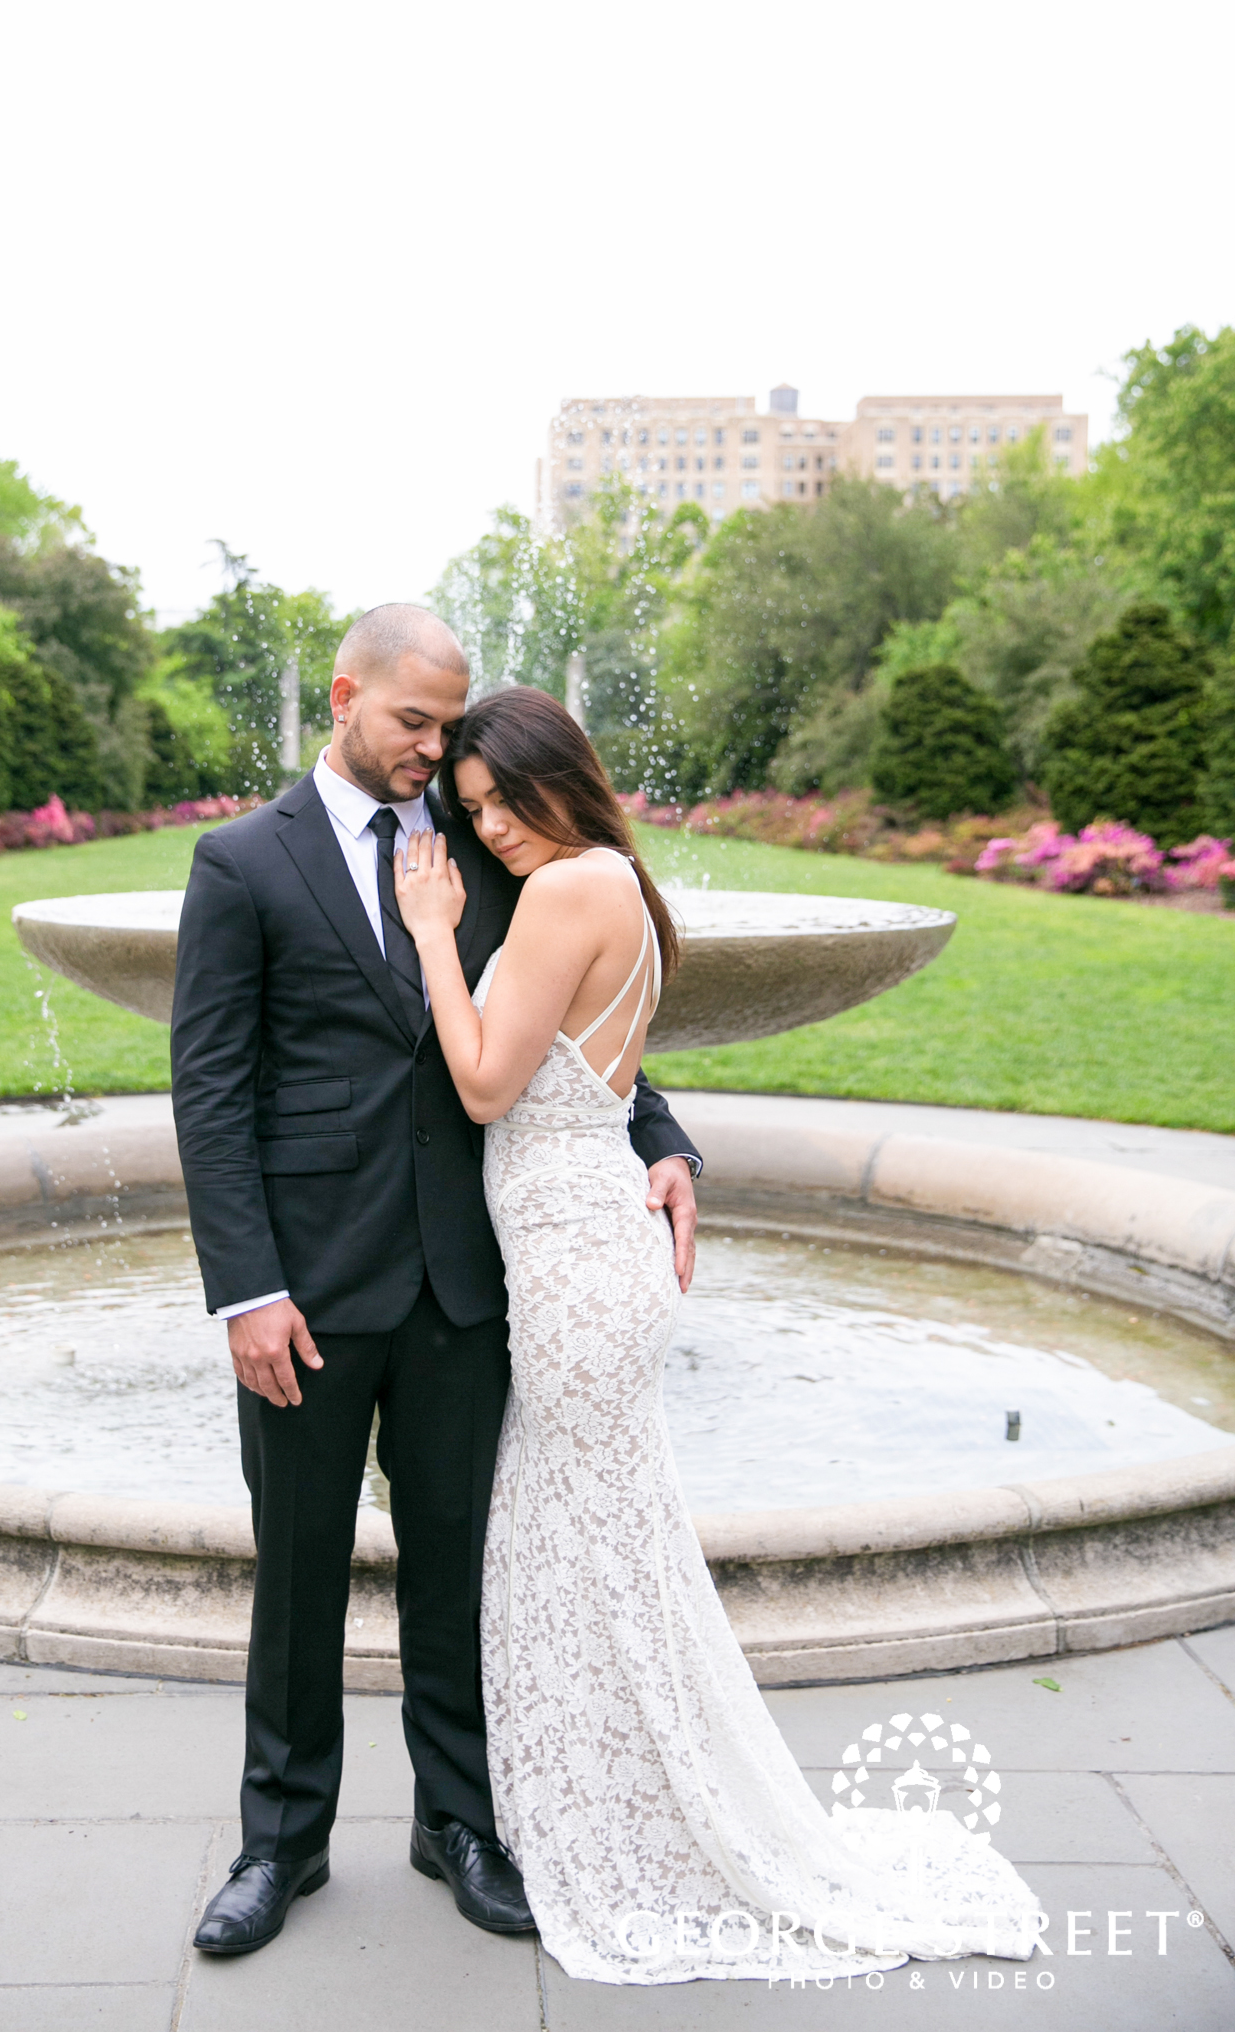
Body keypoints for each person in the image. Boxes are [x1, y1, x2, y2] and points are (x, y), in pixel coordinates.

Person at [391, 682, 1044, 1986]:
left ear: (559, 778)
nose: (493, 830)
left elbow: (480, 1080)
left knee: (572, 1542)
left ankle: (622, 1806)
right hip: (586, 1252)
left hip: (576, 1268)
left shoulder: (569, 889)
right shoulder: (618, 885)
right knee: (600, 1537)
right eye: (473, 813)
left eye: (505, 801)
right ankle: (603, 1787)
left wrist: (426, 930)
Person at [170, 608, 702, 1958]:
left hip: (472, 1287)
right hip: (312, 1289)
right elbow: (213, 1093)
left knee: (460, 1567)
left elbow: (571, 1028)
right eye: (414, 721)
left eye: (449, 725)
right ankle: (279, 1841)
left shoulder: (483, 841)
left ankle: (457, 1819)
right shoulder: (242, 864)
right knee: (296, 1571)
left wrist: (663, 1138)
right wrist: (247, 1291)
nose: (436, 746)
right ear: (344, 697)